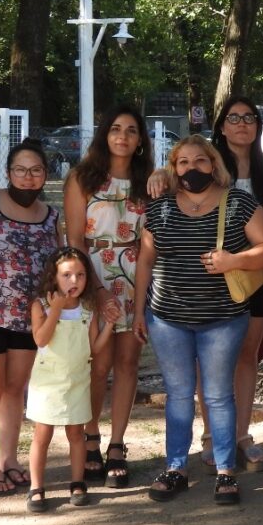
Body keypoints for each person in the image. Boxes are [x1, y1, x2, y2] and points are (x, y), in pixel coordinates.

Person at [133, 136, 263, 505]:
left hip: (222, 319)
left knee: (217, 395)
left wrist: (234, 261)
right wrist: (138, 311)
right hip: (167, 318)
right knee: (179, 395)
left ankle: (226, 471)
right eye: (183, 162)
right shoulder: (160, 207)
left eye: (200, 161)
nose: (191, 169)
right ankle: (176, 467)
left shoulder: (239, 203)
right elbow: (146, 262)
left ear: (214, 164)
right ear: (173, 167)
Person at [0, 139, 61, 495]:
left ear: (45, 175)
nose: (28, 177)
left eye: (36, 170)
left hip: (29, 319)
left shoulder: (51, 216)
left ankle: (9, 459)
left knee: (15, 389)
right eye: (20, 169)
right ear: (8, 172)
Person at [64, 104, 152, 489]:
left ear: (140, 140)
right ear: (105, 134)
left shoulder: (146, 180)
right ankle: (91, 439)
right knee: (97, 365)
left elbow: (150, 242)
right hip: (93, 271)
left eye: (131, 130)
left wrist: (142, 300)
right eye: (116, 128)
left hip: (135, 273)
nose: (123, 136)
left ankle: (118, 444)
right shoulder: (82, 178)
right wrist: (96, 290)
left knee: (128, 363)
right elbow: (74, 239)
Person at [25, 247, 114, 512]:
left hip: (77, 381)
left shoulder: (88, 308)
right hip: (47, 383)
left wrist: (109, 324)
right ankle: (36, 487)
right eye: (66, 275)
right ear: (53, 277)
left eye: (80, 275)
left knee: (77, 434)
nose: (74, 281)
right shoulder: (40, 305)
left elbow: (94, 348)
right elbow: (41, 339)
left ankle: (78, 482)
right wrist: (56, 310)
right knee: (42, 435)